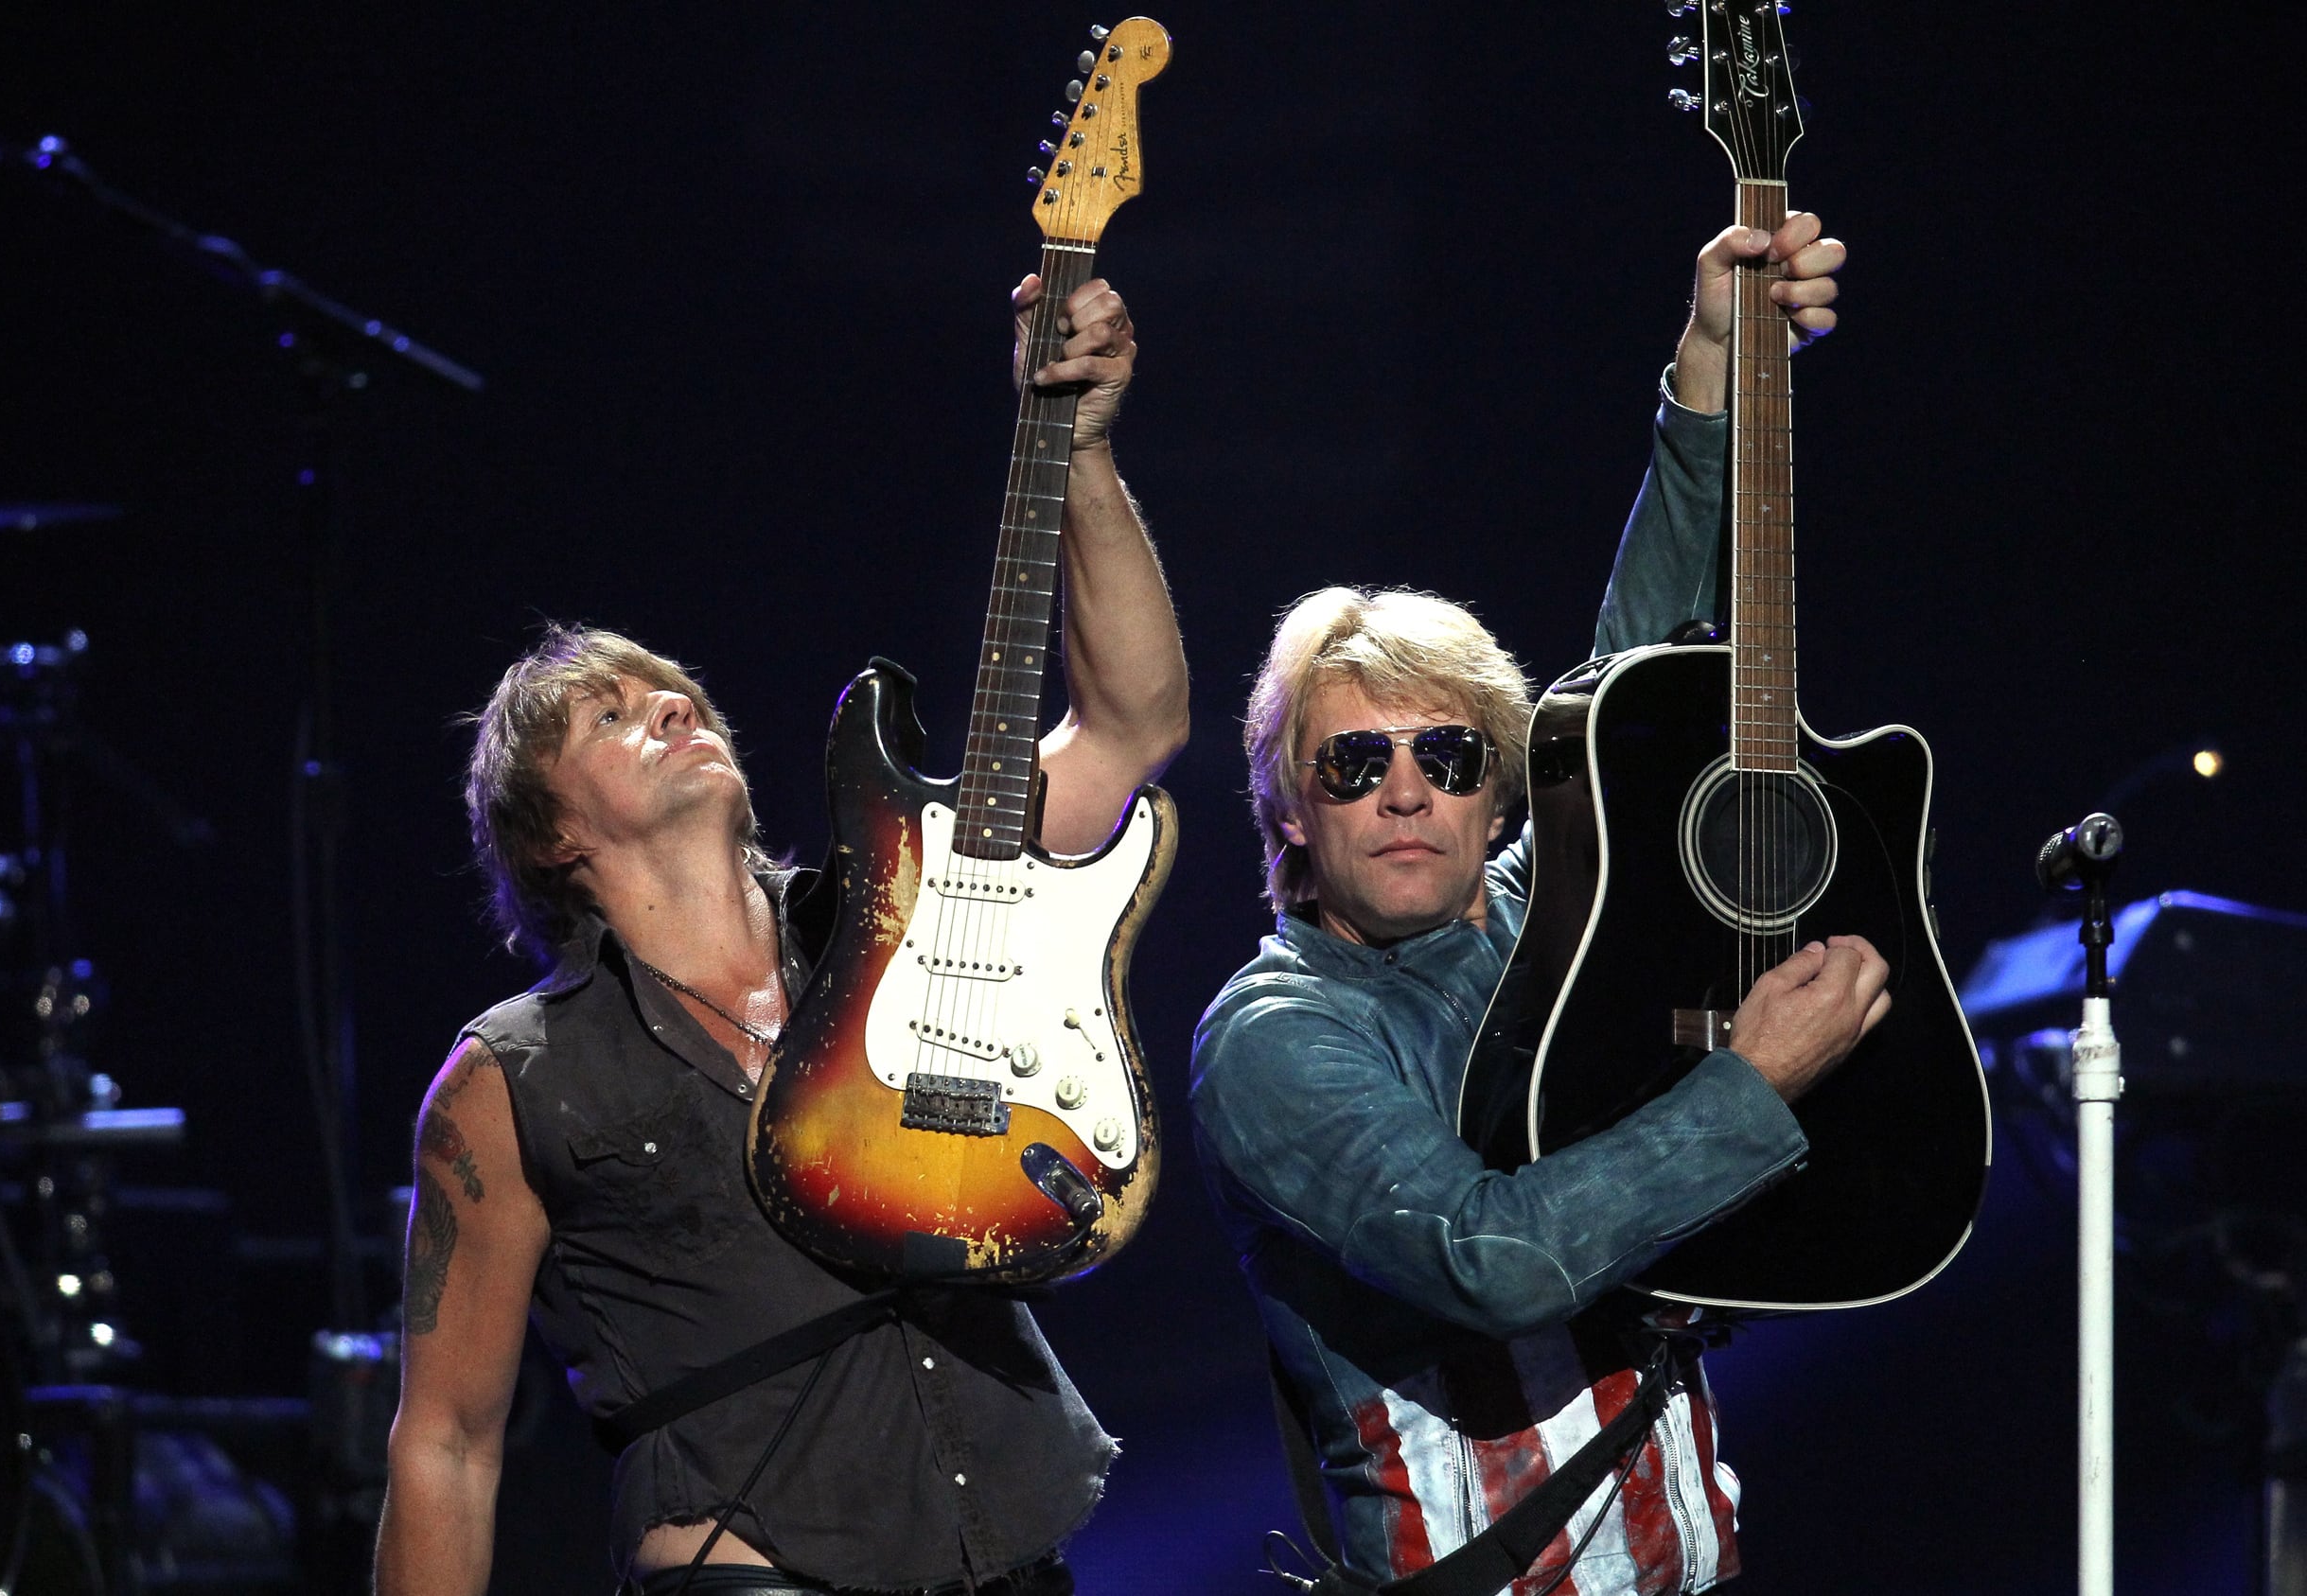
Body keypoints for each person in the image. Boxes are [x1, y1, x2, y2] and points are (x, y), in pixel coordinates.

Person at [374, 271, 1188, 1596]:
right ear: (552, 836)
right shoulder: (517, 1078)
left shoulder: (908, 919)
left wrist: (1083, 451)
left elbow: (1131, 725)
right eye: (611, 717)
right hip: (745, 1565)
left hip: (1008, 1552)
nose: (670, 708)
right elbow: (447, 1442)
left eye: (675, 694)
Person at [1190, 214, 1880, 1594]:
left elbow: (1627, 686)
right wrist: (1755, 1085)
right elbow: (1490, 1257)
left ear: (1502, 797)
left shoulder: (1538, 927)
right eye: (1355, 762)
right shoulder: (1273, 1034)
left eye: (1448, 759)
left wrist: (1710, 362)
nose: (1406, 792)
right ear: (1288, 809)